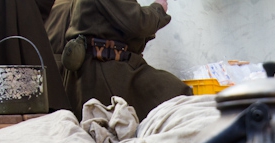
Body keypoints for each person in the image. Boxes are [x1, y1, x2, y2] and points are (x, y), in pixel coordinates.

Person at [60, 0, 192, 120]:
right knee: (178, 94)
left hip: (99, 70)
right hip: (106, 70)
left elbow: (123, 26)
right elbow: (137, 23)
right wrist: (158, 9)